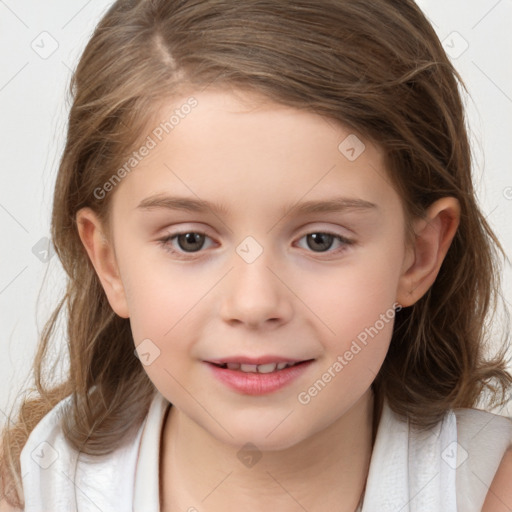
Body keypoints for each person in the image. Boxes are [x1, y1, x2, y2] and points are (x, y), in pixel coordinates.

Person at [1, 0, 512, 510]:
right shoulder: (29, 491)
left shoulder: (491, 490)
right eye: (190, 240)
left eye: (320, 240)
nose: (254, 303)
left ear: (418, 255)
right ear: (109, 263)